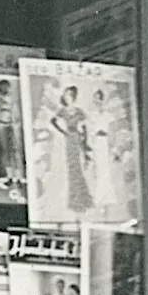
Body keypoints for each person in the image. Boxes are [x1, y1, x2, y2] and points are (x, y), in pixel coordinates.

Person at [49, 85, 93, 216]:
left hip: (77, 138)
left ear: (73, 96)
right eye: (65, 95)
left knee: (77, 167)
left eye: (68, 95)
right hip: (68, 139)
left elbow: (85, 129)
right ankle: (74, 200)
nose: (66, 97)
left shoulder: (79, 111)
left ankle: (83, 199)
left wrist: (85, 144)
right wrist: (63, 132)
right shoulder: (62, 111)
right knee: (71, 167)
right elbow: (53, 121)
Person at [0, 78, 20, 180]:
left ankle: (15, 174)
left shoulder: (11, 99)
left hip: (10, 124)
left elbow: (14, 112)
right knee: (4, 149)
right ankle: (7, 174)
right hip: (1, 125)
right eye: (5, 87)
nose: (7, 89)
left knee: (13, 149)